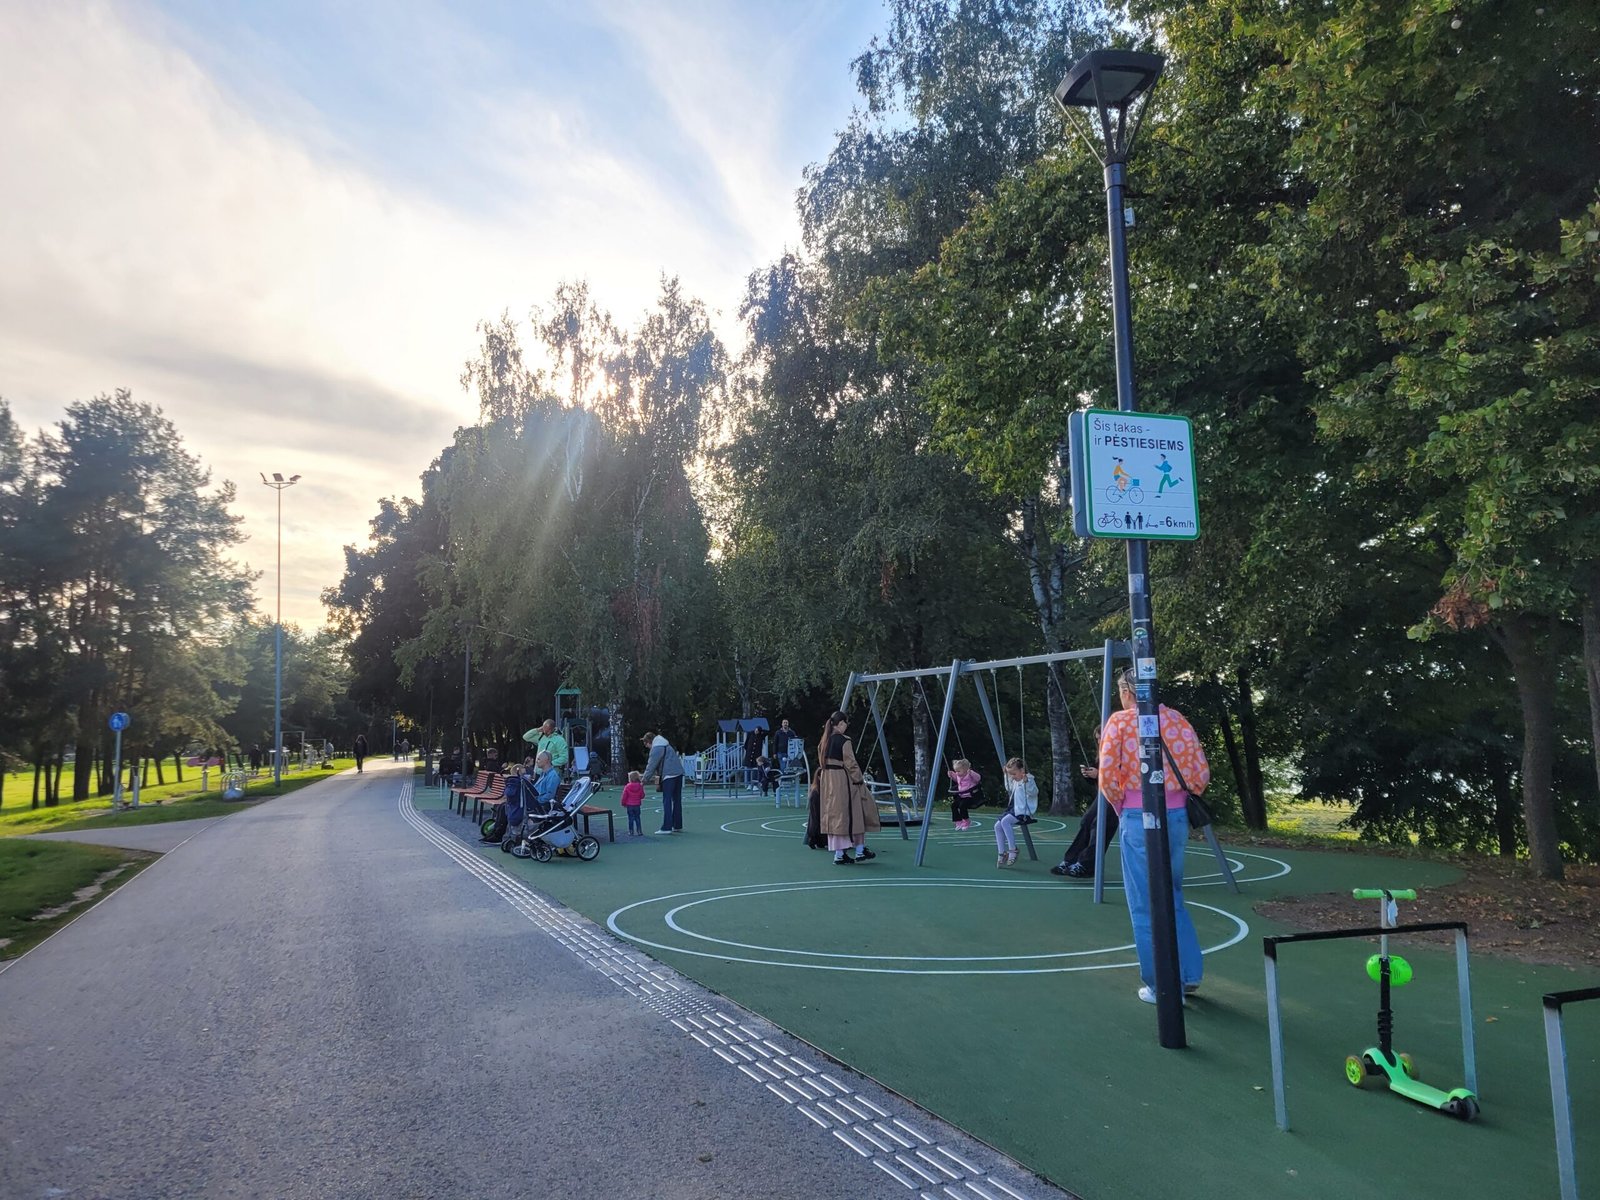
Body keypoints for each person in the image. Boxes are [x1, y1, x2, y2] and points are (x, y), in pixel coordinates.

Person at [1098, 669, 1210, 1003]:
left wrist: (1122, 806)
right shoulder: (1177, 719)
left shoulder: (1119, 722)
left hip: (1138, 813)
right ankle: (1188, 974)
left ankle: (1161, 982)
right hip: (1176, 815)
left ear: (1126, 691)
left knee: (1145, 901)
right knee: (1171, 894)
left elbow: (1107, 775)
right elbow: (1200, 770)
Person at [817, 712, 879, 865]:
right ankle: (859, 849)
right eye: (845, 724)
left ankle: (839, 853)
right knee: (854, 813)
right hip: (842, 779)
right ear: (841, 724)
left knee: (836, 816)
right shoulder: (844, 741)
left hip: (828, 780)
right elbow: (850, 763)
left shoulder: (824, 742)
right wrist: (858, 779)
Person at [995, 757, 1038, 868]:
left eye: (1013, 774)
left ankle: (1013, 849)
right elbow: (1008, 788)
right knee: (997, 826)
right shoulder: (1015, 780)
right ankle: (1002, 852)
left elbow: (1034, 792)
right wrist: (1006, 775)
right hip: (1013, 809)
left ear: (1022, 771)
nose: (1012, 777)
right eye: (1010, 774)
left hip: (1023, 811)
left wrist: (1026, 783)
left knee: (1005, 822)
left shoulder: (1028, 779)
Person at [642, 730, 684, 834]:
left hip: (669, 775)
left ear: (649, 742)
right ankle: (677, 825)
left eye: (646, 744)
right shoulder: (666, 745)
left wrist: (644, 779)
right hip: (678, 773)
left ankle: (666, 827)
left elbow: (651, 765)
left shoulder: (656, 748)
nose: (647, 747)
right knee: (677, 800)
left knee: (667, 800)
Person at [946, 758, 981, 831]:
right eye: (956, 771)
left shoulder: (970, 775)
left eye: (958, 771)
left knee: (962, 806)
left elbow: (978, 778)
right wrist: (952, 775)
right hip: (961, 795)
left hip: (970, 796)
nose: (957, 773)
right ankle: (958, 821)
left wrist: (971, 773)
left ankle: (966, 821)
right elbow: (956, 778)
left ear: (965, 769)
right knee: (954, 805)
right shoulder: (959, 775)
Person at [621, 770, 645, 836]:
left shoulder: (627, 786)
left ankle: (631, 831)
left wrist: (623, 803)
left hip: (629, 805)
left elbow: (624, 796)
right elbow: (642, 795)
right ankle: (639, 831)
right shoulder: (640, 786)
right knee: (637, 818)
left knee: (630, 819)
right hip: (637, 805)